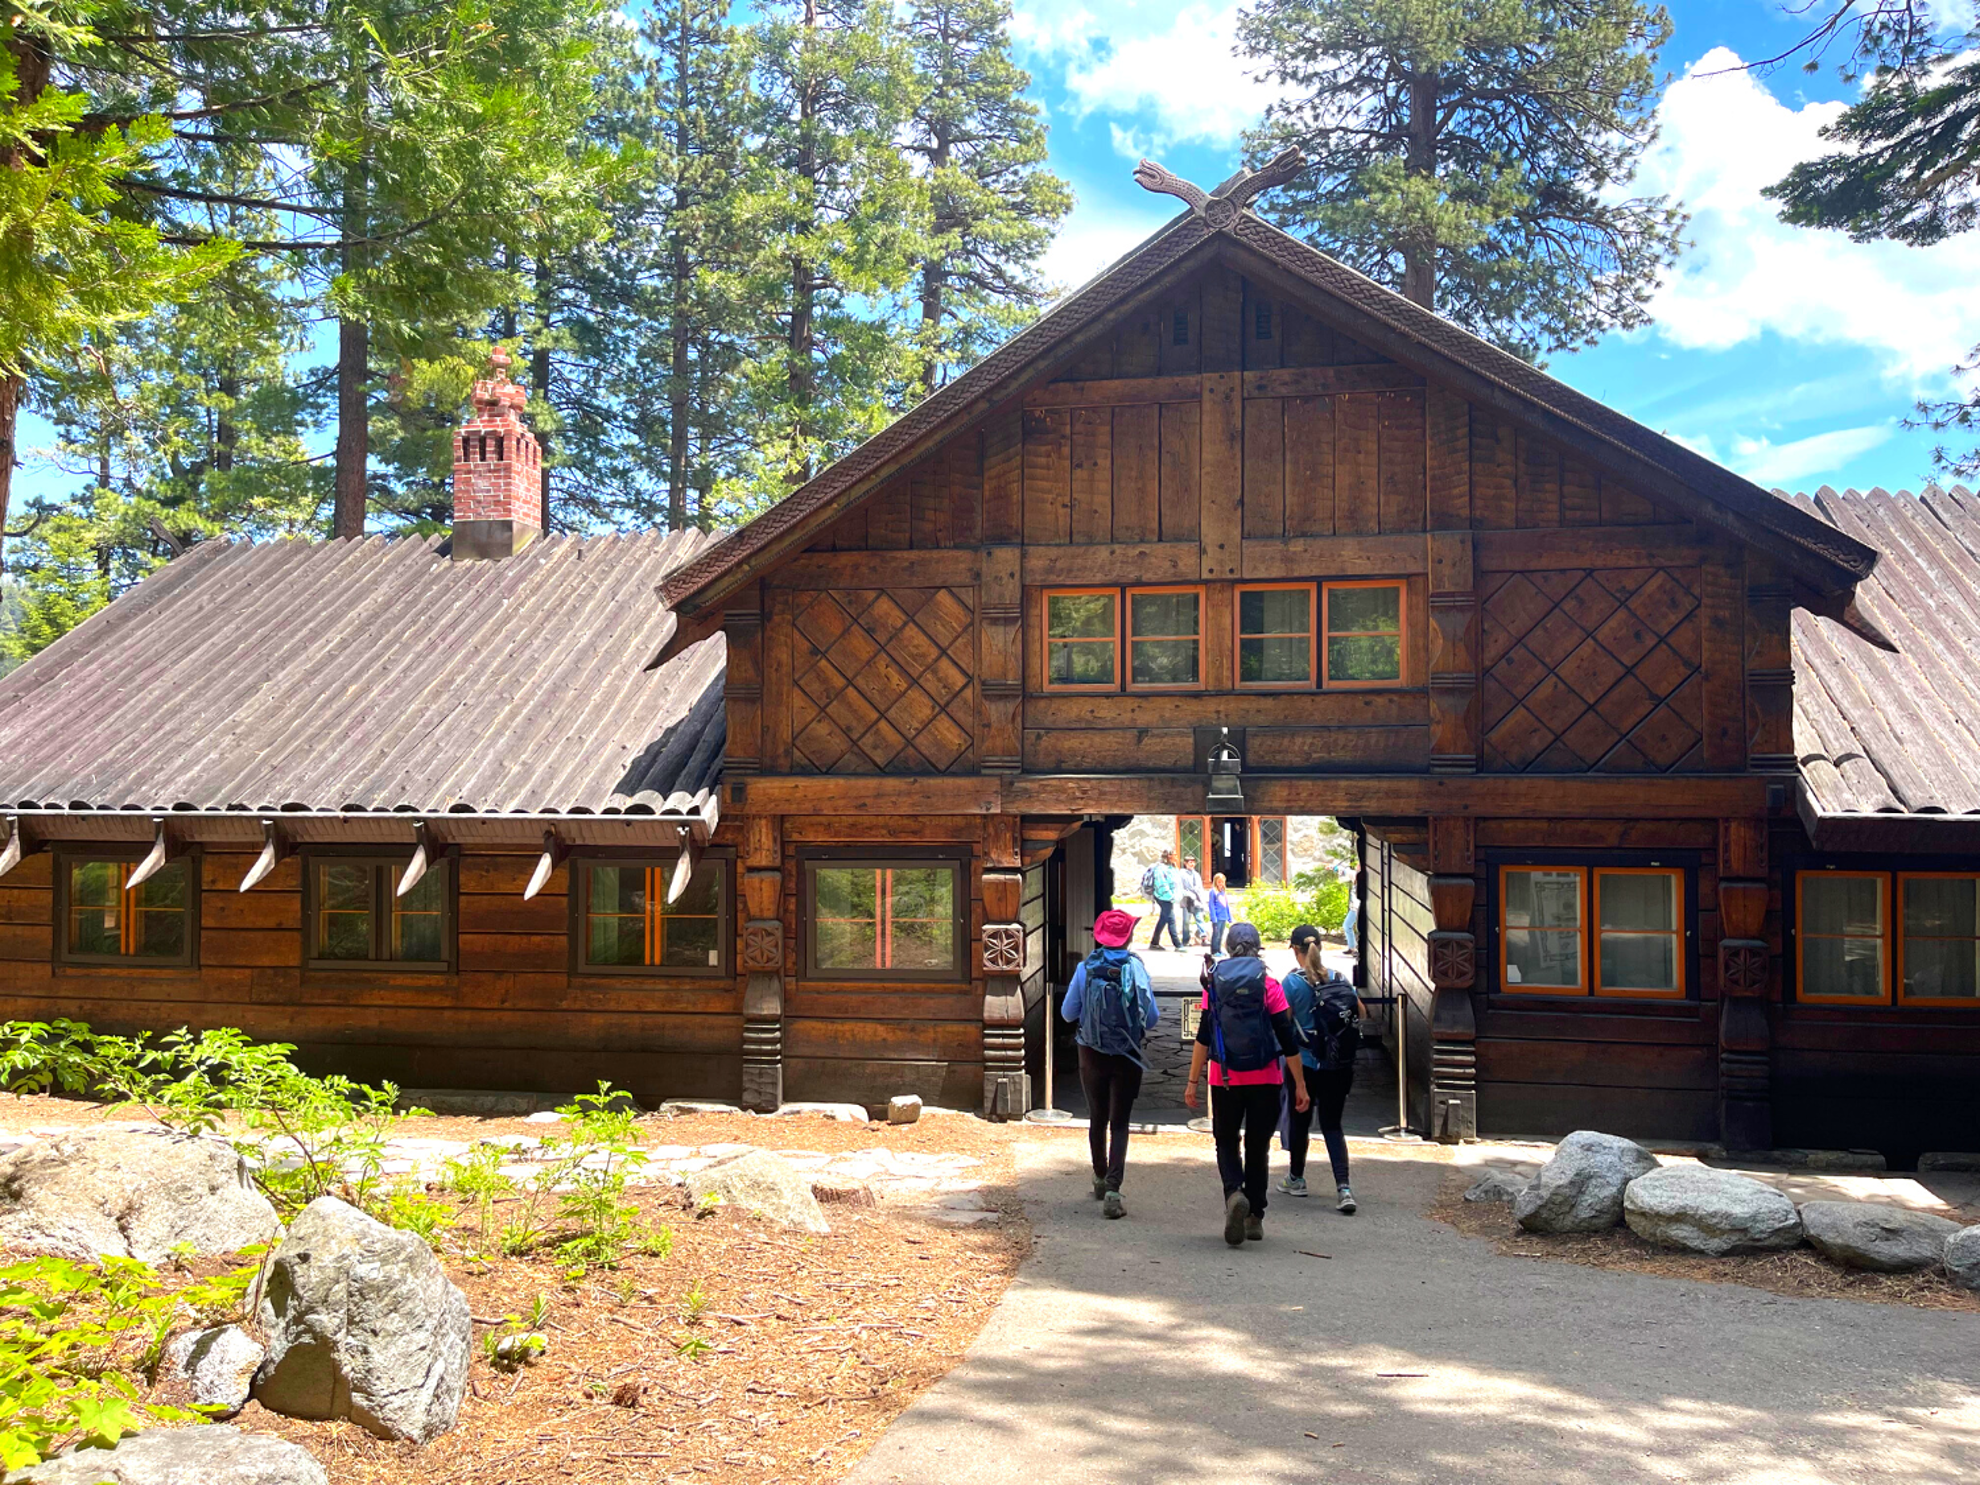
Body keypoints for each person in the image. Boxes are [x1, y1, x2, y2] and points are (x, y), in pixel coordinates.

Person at [1183, 922, 1308, 1246]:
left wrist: (1192, 1080)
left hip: (1224, 1077)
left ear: (1228, 946)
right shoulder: (1270, 985)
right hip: (1266, 1077)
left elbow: (1203, 1037)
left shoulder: (1216, 984)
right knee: (1258, 1146)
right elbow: (1287, 1038)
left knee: (1226, 1140)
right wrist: (1300, 1085)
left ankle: (1233, 1194)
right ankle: (1255, 1217)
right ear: (1258, 947)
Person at [1061, 908, 1161, 1220]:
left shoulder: (1086, 969)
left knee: (1097, 1116)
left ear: (1100, 937)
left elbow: (1067, 1013)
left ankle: (1100, 1177)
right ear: (1128, 936)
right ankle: (1115, 1190)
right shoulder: (1135, 967)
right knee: (1120, 1121)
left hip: (1091, 1052)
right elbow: (1153, 1017)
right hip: (1128, 1054)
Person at [1278, 924, 1365, 1213]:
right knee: (1332, 1125)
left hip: (1305, 1063)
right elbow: (1360, 1012)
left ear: (1295, 950)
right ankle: (1344, 1188)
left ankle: (1296, 1178)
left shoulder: (1292, 984)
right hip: (1338, 1063)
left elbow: (1284, 1020)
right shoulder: (1339, 978)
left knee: (1300, 1119)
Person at [1142, 850, 1182, 950]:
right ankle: (1177, 944)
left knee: (1163, 919)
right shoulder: (1160, 869)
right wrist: (1170, 896)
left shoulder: (1172, 867)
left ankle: (1154, 943)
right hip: (1162, 897)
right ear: (1169, 856)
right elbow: (1161, 884)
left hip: (1170, 897)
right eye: (1174, 855)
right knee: (1171, 919)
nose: (1176, 856)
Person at [1178, 858, 1206, 945]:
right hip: (1187, 899)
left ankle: (1204, 938)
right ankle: (1185, 940)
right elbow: (1180, 887)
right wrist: (1188, 894)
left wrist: (1202, 900)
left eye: (1193, 862)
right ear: (1185, 863)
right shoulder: (1181, 873)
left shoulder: (1196, 874)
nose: (1192, 864)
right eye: (1190, 862)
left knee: (1199, 918)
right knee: (1186, 921)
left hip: (1196, 900)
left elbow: (1200, 888)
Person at [1206, 872, 1232, 955]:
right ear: (1215, 882)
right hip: (1217, 917)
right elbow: (1211, 905)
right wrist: (1213, 917)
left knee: (1221, 934)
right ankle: (1214, 950)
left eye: (1222, 882)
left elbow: (1226, 905)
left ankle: (1219, 949)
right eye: (1219, 882)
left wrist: (1229, 916)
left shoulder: (1223, 892)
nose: (1221, 884)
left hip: (1223, 916)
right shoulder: (1213, 892)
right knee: (1216, 935)